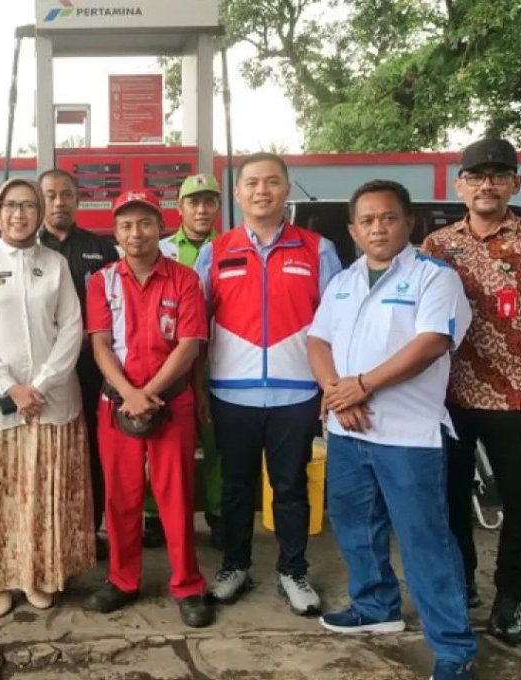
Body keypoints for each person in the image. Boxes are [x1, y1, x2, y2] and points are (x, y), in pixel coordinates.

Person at [308, 179, 477, 680]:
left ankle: (453, 647)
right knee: (355, 524)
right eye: (367, 220)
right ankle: (375, 607)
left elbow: (431, 343)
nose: (377, 227)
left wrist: (361, 385)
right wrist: (338, 391)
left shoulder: (434, 277)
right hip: (348, 431)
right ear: (353, 230)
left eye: (388, 218)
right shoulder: (342, 282)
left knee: (424, 538)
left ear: (409, 223)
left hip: (407, 435)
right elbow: (317, 340)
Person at [195, 152, 341, 615]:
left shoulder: (318, 249)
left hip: (296, 394)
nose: (262, 190)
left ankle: (292, 570)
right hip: (229, 393)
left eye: (272, 182)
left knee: (290, 486)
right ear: (237, 194)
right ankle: (235, 565)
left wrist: (330, 389)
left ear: (286, 188)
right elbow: (196, 328)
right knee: (235, 487)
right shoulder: (214, 251)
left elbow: (336, 324)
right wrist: (199, 390)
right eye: (252, 183)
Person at [420, 138, 521, 646]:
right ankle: (460, 582)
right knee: (446, 503)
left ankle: (511, 597)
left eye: (498, 174)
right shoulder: (437, 246)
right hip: (449, 400)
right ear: (460, 184)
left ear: (516, 182)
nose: (486, 184)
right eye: (476, 175)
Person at [0, 177, 95, 617]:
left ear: (39, 213)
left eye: (28, 206)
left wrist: (42, 383)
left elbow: (72, 327)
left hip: (50, 402)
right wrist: (9, 386)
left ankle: (37, 574)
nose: (19, 214)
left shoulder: (55, 264)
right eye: (11, 206)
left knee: (40, 494)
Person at [84, 190, 214, 628]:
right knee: (121, 498)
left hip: (170, 402)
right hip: (115, 404)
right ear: (116, 233)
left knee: (176, 498)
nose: (135, 233)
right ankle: (122, 580)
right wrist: (127, 393)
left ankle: (188, 584)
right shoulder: (102, 280)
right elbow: (100, 343)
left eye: (144, 223)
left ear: (160, 226)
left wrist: (148, 393)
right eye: (125, 225)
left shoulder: (184, 279)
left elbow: (189, 345)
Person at [37, 168, 119, 561]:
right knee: (49, 451)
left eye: (66, 194)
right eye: (50, 195)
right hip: (39, 373)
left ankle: (92, 528)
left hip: (90, 368)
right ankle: (50, 530)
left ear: (78, 200)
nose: (58, 202)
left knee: (93, 450)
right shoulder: (26, 247)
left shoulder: (100, 249)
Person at [160, 173, 224, 550]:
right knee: (165, 448)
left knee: (217, 446)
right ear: (180, 208)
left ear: (218, 206)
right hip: (168, 367)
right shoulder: (162, 249)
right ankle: (154, 516)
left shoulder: (231, 247)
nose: (201, 209)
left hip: (219, 363)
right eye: (193, 202)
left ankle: (217, 515)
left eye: (209, 202)